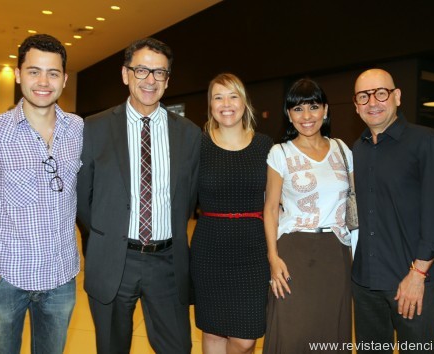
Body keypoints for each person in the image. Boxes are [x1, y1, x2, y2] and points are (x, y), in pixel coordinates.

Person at [0, 34, 83, 354]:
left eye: (53, 73)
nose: (43, 81)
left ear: (65, 79)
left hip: (60, 277)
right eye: (33, 71)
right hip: (4, 277)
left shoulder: (78, 129)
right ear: (17, 75)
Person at [77, 37, 201, 354]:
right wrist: (108, 233)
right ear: (125, 74)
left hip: (168, 262)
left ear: (167, 80)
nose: (150, 80)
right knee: (111, 347)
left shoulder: (188, 133)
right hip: (114, 259)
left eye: (159, 73)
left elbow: (188, 198)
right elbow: (83, 198)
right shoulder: (94, 127)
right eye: (142, 70)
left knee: (177, 347)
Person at [351, 68, 434, 353]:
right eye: (364, 96)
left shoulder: (425, 141)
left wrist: (418, 275)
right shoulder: (355, 151)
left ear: (397, 96)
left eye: (381, 93)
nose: (373, 102)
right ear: (356, 105)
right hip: (365, 283)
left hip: (412, 281)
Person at [263, 78, 353, 353]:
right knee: (292, 333)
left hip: (336, 253)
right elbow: (270, 209)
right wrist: (273, 257)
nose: (307, 116)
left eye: (313, 107)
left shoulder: (341, 149)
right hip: (295, 254)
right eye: (298, 109)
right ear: (289, 114)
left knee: (330, 333)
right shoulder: (280, 153)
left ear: (325, 110)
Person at [190, 73, 272, 354]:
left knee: (246, 337)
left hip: (253, 249)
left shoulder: (265, 146)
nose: (226, 103)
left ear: (244, 102)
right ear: (210, 105)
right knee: (213, 330)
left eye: (233, 95)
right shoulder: (197, 146)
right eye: (218, 97)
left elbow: (277, 201)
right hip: (209, 249)